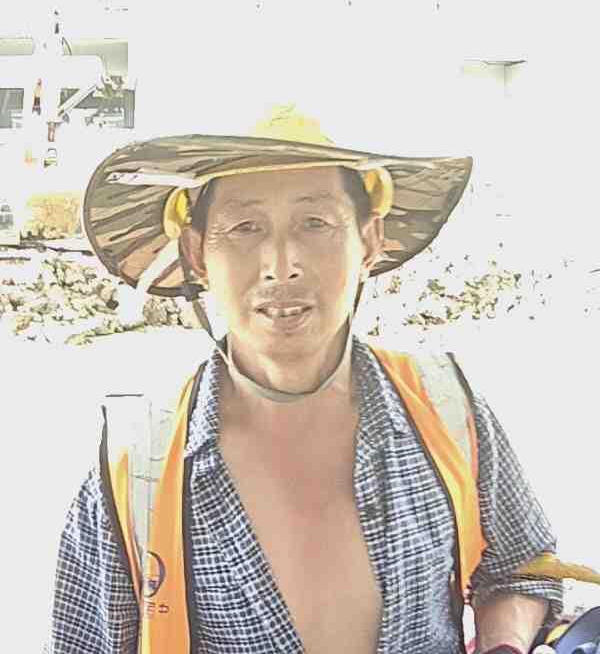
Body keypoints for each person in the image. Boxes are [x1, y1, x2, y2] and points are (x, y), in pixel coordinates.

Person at [46, 106, 563, 654]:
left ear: (369, 241)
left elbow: (522, 566)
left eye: (314, 223)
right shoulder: (138, 471)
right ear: (197, 254)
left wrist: (504, 645)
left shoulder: (446, 407)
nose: (281, 264)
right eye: (245, 228)